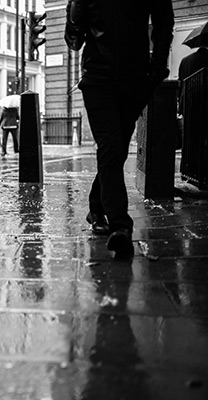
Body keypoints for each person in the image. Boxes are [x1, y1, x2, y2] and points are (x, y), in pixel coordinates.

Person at [64, 0, 174, 258]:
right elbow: (73, 41)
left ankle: (96, 207)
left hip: (135, 81)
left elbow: (164, 21)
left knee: (115, 151)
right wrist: (76, 9)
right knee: (112, 147)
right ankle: (120, 226)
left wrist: (157, 69)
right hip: (97, 80)